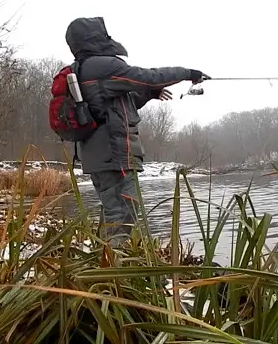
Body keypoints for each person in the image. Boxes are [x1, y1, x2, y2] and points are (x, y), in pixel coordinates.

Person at [64, 17, 208, 246]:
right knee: (122, 216)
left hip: (98, 156)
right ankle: (114, 273)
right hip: (114, 157)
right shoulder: (102, 66)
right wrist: (188, 73)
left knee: (114, 212)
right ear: (96, 38)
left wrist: (149, 93)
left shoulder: (82, 70)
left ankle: (106, 264)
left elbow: (116, 108)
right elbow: (148, 77)